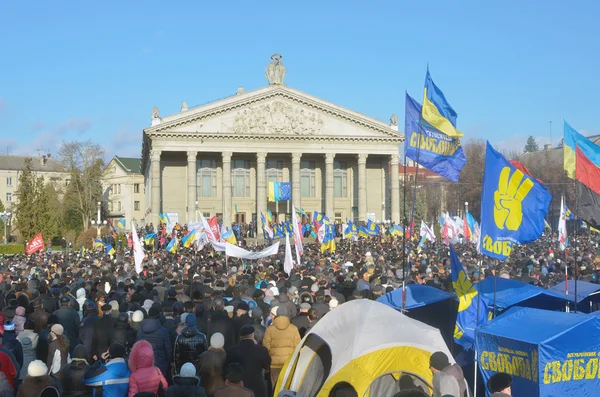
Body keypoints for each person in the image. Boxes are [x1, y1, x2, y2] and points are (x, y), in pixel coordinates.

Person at [226, 324, 271, 397]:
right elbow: (267, 365)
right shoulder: (261, 350)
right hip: (257, 387)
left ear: (240, 337)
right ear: (252, 336)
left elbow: (226, 368)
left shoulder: (232, 350)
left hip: (239, 387)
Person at [262, 306, 301, 389]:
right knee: (287, 387)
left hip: (274, 363)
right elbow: (298, 346)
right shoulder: (294, 328)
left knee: (275, 387)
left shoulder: (270, 329)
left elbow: (266, 346)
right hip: (289, 362)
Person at [136, 305, 172, 377]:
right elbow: (168, 350)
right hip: (159, 366)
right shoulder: (163, 331)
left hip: (144, 365)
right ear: (159, 315)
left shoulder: (140, 331)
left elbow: (137, 349)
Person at [197, 333, 226, 397]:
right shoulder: (226, 356)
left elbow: (199, 371)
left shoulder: (203, 355)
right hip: (221, 391)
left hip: (206, 389)